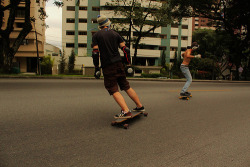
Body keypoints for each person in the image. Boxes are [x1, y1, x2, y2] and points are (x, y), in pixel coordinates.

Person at [92, 15, 145, 119]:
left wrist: (97, 67)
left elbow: (95, 53)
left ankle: (126, 111)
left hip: (108, 66)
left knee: (112, 89)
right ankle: (139, 106)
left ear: (100, 25)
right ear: (108, 23)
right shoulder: (115, 34)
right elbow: (126, 50)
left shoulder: (96, 35)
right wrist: (128, 64)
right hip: (119, 63)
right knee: (126, 86)